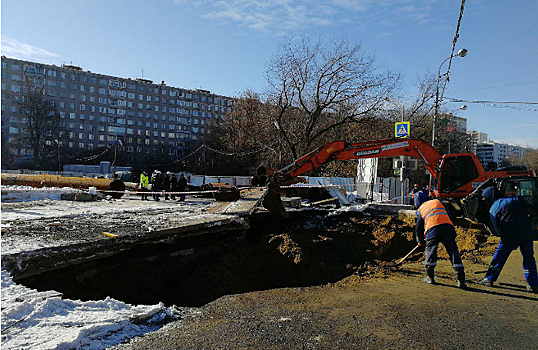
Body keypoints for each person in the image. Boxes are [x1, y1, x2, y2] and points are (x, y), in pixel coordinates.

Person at [478, 186, 538, 293]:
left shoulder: (493, 209)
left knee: (500, 256)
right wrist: (532, 220)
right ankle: (533, 284)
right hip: (526, 233)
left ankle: (489, 278)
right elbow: (533, 202)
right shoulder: (515, 199)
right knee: (528, 258)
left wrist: (507, 239)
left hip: (509, 235)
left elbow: (497, 229)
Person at [415, 197, 467, 289]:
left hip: (433, 229)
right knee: (453, 252)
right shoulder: (437, 202)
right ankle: (461, 279)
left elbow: (418, 227)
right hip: (448, 227)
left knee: (431, 251)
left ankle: (430, 277)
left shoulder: (421, 209)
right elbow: (450, 215)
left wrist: (420, 241)